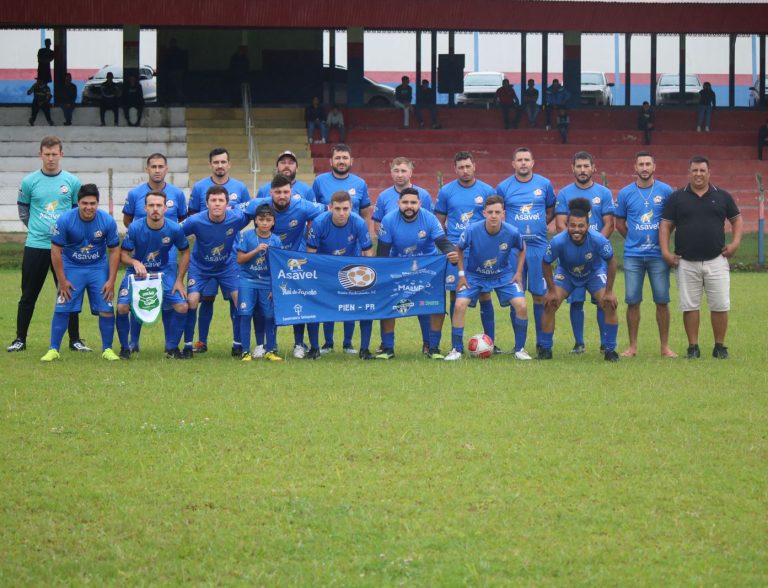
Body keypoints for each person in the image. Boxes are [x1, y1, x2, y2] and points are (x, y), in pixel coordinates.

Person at [8, 136, 88, 353]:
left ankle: (75, 340)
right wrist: (38, 229)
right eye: (47, 154)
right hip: (36, 246)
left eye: (55, 154)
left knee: (68, 292)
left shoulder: (72, 182)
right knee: (28, 294)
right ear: (40, 154)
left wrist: (65, 236)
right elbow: (23, 211)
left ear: (61, 154)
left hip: (64, 249)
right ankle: (20, 339)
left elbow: (75, 213)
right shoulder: (29, 181)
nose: (51, 158)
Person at [660, 155, 742, 359]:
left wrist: (735, 244)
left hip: (717, 260)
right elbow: (665, 226)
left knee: (720, 304)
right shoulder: (677, 197)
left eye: (702, 170)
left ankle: (720, 347)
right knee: (690, 306)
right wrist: (665, 252)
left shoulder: (722, 196)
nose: (698, 174)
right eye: (694, 170)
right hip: (686, 261)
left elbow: (737, 220)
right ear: (689, 173)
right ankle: (693, 347)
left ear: (709, 173)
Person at [246, 174, 325, 359]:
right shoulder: (259, 204)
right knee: (264, 303)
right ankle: (263, 344)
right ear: (271, 192)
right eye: (278, 192)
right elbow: (234, 214)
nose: (282, 195)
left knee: (297, 301)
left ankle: (299, 344)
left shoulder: (303, 205)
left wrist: (312, 236)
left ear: (292, 192)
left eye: (286, 192)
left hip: (293, 262)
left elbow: (327, 212)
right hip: (266, 263)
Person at [40, 184, 121, 362]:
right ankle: (53, 349)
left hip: (98, 268)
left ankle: (107, 349)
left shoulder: (107, 221)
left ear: (98, 203)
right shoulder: (64, 220)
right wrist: (62, 280)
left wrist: (111, 280)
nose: (88, 207)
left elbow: (115, 251)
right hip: (72, 267)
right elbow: (55, 251)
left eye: (92, 203)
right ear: (78, 202)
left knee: (106, 308)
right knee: (62, 307)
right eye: (85, 203)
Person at [376, 187, 458, 359]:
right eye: (405, 202)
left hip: (427, 267)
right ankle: (387, 347)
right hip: (397, 267)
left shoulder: (429, 218)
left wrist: (452, 253)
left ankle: (432, 347)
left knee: (434, 304)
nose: (409, 206)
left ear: (419, 204)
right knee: (389, 303)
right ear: (398, 203)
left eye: (413, 203)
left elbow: (443, 242)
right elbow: (382, 253)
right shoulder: (388, 219)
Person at [445, 196, 531, 361]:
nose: (493, 215)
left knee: (521, 305)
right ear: (484, 213)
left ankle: (520, 349)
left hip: (503, 275)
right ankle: (456, 349)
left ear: (503, 214)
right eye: (490, 212)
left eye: (497, 212)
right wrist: (462, 275)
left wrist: (519, 272)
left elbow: (522, 247)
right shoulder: (472, 230)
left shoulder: (512, 231)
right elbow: (459, 249)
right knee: (459, 304)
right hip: (475, 275)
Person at [538, 198, 620, 362]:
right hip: (567, 273)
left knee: (609, 304)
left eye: (581, 226)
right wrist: (552, 290)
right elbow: (546, 263)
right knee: (549, 303)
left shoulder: (598, 240)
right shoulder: (558, 241)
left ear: (588, 226)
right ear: (567, 225)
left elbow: (612, 262)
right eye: (573, 226)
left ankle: (610, 350)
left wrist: (609, 291)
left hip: (593, 273)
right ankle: (546, 349)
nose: (576, 230)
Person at [187, 148, 251, 354]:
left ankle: (238, 343)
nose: (220, 165)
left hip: (229, 257)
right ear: (210, 165)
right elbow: (192, 218)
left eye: (223, 162)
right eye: (216, 162)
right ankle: (200, 342)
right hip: (203, 257)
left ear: (229, 164)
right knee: (206, 298)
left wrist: (229, 232)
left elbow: (247, 214)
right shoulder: (199, 188)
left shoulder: (240, 188)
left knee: (237, 301)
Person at [122, 153, 188, 353]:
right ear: (147, 169)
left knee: (169, 303)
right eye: (154, 166)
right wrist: (140, 237)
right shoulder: (135, 194)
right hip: (141, 256)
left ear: (166, 169)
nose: (157, 170)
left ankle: (171, 346)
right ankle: (133, 343)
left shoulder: (177, 194)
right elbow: (128, 220)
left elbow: (182, 222)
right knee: (138, 299)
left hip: (167, 258)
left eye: (161, 166)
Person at [615, 151, 677, 358]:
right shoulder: (625, 193)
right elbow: (620, 223)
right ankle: (632, 347)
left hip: (658, 255)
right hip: (633, 255)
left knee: (662, 300)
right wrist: (633, 238)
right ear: (635, 167)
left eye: (647, 164)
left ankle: (665, 346)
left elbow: (671, 221)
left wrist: (662, 242)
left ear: (654, 167)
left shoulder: (665, 191)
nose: (644, 168)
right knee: (632, 301)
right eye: (640, 164)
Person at [435, 151, 497, 354]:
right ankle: (457, 346)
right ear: (455, 169)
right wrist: (448, 248)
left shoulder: (487, 190)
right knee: (456, 295)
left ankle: (491, 342)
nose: (464, 170)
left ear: (474, 166)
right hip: (456, 251)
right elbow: (439, 223)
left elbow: (494, 221)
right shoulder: (446, 192)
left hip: (480, 250)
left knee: (485, 295)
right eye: (460, 167)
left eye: (468, 166)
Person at [312, 143, 372, 353]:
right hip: (326, 255)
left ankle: (348, 343)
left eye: (345, 158)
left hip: (351, 252)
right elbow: (314, 213)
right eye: (338, 157)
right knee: (328, 300)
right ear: (331, 161)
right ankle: (327, 343)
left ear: (351, 161)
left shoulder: (360, 183)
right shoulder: (319, 182)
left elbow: (365, 213)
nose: (341, 161)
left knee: (351, 301)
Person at [496, 147, 556, 352]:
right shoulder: (503, 187)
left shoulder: (544, 184)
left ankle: (542, 343)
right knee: (516, 296)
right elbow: (499, 214)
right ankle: (519, 345)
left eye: (526, 160)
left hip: (539, 247)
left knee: (540, 295)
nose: (523, 163)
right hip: (513, 250)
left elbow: (550, 211)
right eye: (519, 160)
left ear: (533, 162)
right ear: (513, 164)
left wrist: (537, 227)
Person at [372, 157, 435, 352]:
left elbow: (429, 225)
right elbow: (377, 226)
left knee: (424, 303)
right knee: (390, 301)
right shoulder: (384, 197)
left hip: (421, 261)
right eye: (396, 170)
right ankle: (386, 345)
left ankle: (428, 344)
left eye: (403, 171)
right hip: (394, 261)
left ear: (411, 173)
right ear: (391, 172)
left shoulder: (423, 195)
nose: (400, 174)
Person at [554, 151, 615, 354]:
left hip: (596, 256)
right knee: (576, 299)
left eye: (586, 166)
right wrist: (574, 244)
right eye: (578, 166)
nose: (582, 170)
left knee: (601, 300)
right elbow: (561, 224)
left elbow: (609, 224)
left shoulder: (604, 193)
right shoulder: (564, 193)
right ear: (572, 168)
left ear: (593, 168)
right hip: (573, 257)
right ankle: (579, 343)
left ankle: (606, 342)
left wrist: (596, 246)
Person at [306, 191, 375, 359]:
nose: (342, 213)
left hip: (351, 271)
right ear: (330, 208)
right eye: (337, 209)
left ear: (351, 207)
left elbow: (368, 253)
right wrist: (313, 278)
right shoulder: (319, 222)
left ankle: (353, 345)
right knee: (317, 306)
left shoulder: (358, 223)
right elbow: (310, 254)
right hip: (324, 271)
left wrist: (370, 277)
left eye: (345, 208)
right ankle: (320, 346)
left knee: (361, 306)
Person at [234, 204, 283, 362]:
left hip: (267, 282)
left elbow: (278, 266)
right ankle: (245, 351)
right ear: (255, 220)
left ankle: (270, 350)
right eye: (261, 219)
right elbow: (240, 259)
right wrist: (255, 251)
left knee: (269, 316)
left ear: (273, 222)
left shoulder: (276, 240)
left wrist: (274, 287)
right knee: (245, 314)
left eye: (268, 220)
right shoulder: (246, 236)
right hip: (247, 280)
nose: (264, 223)